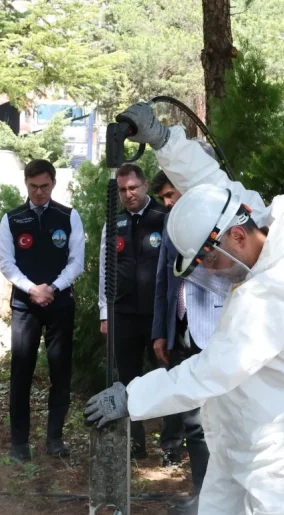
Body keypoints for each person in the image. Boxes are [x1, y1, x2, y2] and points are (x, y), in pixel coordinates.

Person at [85, 103, 284, 515]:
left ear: (237, 238)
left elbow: (212, 370)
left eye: (212, 263)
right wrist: (165, 140)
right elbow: (211, 184)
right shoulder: (259, 224)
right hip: (239, 435)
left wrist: (133, 397)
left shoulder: (279, 291)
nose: (213, 275)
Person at [0, 159, 85, 462]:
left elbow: (76, 261)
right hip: (25, 305)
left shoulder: (68, 216)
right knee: (21, 371)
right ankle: (19, 442)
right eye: (33, 186)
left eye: (44, 186)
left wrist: (53, 288)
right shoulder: (12, 218)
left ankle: (55, 438)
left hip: (59, 304)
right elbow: (7, 264)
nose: (39, 192)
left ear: (53, 183)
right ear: (26, 184)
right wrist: (32, 289)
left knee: (60, 371)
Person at [148, 171, 215, 515]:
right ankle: (202, 493)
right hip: (181, 328)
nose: (168, 202)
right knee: (191, 418)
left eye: (172, 194)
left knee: (215, 419)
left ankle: (220, 497)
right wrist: (161, 331)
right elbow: (163, 279)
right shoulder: (170, 225)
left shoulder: (216, 216)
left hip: (215, 331)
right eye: (163, 198)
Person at [97, 163, 170, 460]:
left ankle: (171, 445)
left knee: (167, 378)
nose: (128, 194)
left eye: (133, 188)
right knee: (128, 380)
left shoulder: (164, 217)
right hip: (123, 312)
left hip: (158, 314)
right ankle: (135, 443)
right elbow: (105, 269)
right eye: (122, 190)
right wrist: (104, 312)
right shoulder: (114, 223)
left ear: (144, 186)